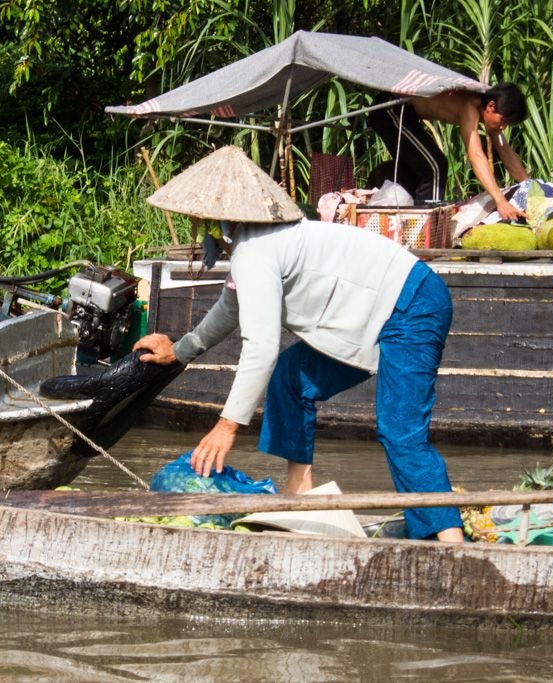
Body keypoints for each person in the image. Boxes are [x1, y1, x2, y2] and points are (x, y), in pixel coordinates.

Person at [133, 145, 464, 542]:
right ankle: (300, 491)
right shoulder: (248, 244)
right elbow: (230, 308)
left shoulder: (255, 249)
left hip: (410, 303)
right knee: (292, 378)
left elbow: (260, 345)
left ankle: (451, 545)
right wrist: (180, 351)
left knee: (400, 430)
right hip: (372, 310)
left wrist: (226, 426)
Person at [367, 83, 530, 221]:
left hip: (407, 114)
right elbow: (476, 155)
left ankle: (381, 191)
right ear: (491, 106)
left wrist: (528, 184)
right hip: (391, 108)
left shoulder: (490, 112)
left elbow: (505, 150)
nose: (503, 127)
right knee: (435, 166)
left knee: (420, 166)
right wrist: (500, 201)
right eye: (503, 121)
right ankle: (426, 226)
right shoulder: (470, 106)